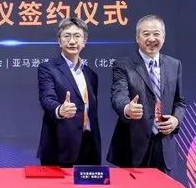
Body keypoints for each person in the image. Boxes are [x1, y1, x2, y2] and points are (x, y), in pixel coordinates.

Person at [107, 14, 185, 173]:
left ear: (164, 37)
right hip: (133, 145)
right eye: (146, 34)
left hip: (163, 145)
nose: (151, 39)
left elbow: (180, 101)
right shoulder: (123, 65)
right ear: (137, 38)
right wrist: (127, 108)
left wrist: (176, 120)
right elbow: (118, 95)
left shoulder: (174, 65)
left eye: (156, 34)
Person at [36, 17, 101, 167]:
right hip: (59, 147)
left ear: (84, 41)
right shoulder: (48, 68)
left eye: (77, 36)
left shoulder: (91, 74)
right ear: (59, 41)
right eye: (67, 36)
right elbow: (46, 98)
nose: (72, 41)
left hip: (89, 146)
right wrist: (60, 110)